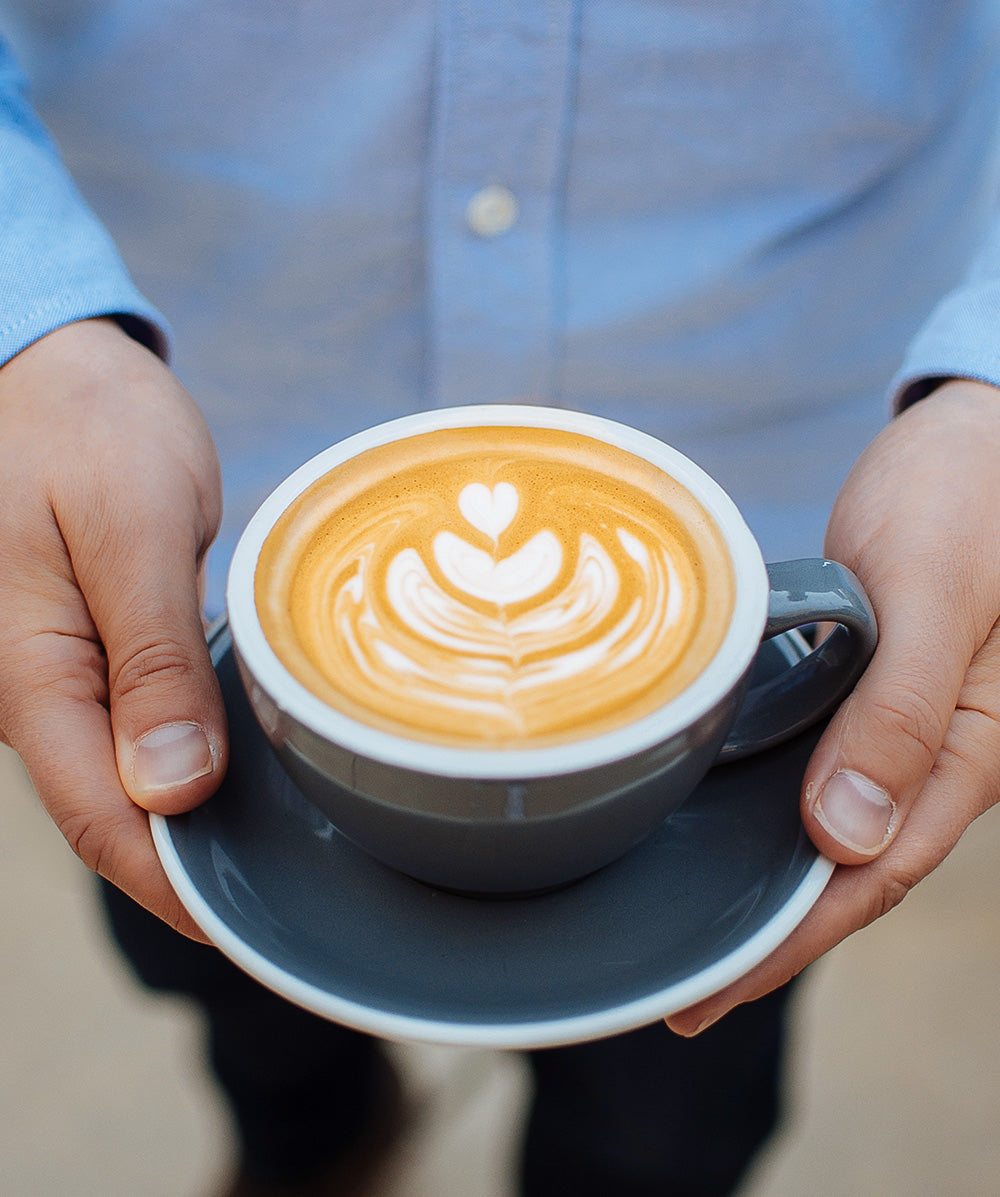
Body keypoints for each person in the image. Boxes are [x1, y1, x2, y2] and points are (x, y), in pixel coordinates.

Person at [2, 2, 1000, 1193]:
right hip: (171, 539)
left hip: (800, 484)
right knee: (243, 1017)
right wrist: (27, 317)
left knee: (660, 1129)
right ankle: (319, 1146)